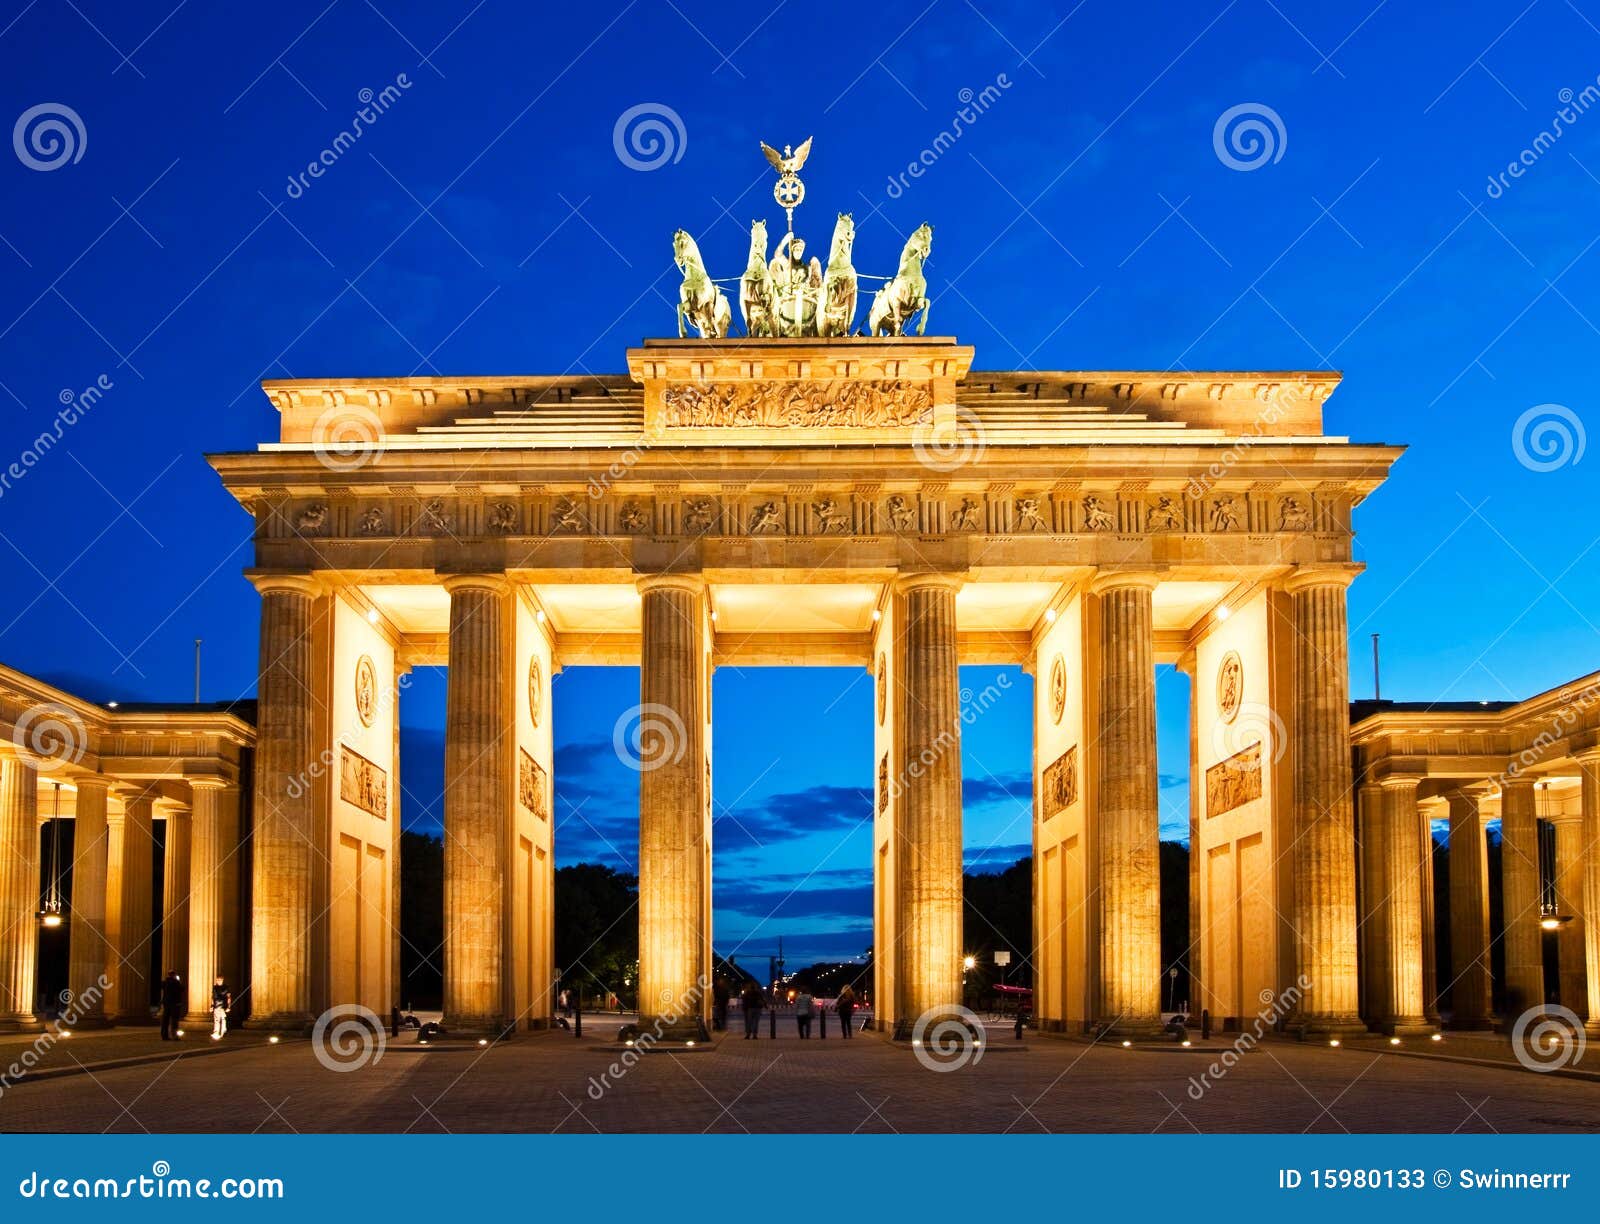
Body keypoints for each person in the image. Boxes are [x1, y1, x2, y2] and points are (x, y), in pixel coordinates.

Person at [159, 971, 183, 1040]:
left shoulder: (164, 982)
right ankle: (174, 1035)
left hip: (166, 1003)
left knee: (165, 1020)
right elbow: (181, 989)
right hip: (175, 1004)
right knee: (174, 1020)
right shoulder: (176, 982)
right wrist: (178, 980)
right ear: (174, 975)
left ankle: (164, 1035)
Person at [209, 975, 231, 1040]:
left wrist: (229, 1006)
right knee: (216, 1019)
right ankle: (216, 1032)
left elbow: (229, 997)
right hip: (216, 1005)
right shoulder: (214, 987)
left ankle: (223, 1030)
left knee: (223, 1019)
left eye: (219, 980)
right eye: (217, 980)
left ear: (222, 980)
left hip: (223, 1006)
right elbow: (213, 997)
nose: (218, 981)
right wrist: (212, 1006)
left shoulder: (226, 987)